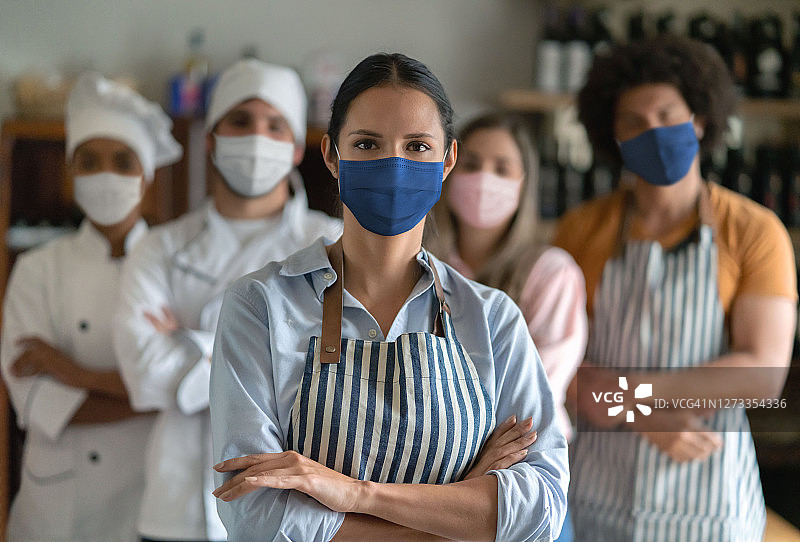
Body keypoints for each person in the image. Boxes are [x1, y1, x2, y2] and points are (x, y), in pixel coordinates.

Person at [210, 52, 568, 542]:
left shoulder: (493, 318)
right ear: (332, 156)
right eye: (367, 144)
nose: (394, 165)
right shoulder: (260, 306)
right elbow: (256, 516)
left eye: (417, 146)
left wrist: (357, 495)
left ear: (447, 161)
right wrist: (462, 511)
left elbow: (541, 508)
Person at [553, 36, 797, 541]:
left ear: (700, 120)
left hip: (711, 503)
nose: (653, 131)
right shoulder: (580, 230)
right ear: (613, 137)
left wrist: (636, 401)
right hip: (594, 497)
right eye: (634, 122)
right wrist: (645, 415)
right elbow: (559, 369)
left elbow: (761, 373)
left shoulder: (753, 231)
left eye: (667, 115)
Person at [112, 58, 342, 542]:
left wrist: (191, 341)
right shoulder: (159, 248)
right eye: (240, 120)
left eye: (275, 125)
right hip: (176, 507)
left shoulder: (331, 244)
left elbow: (335, 382)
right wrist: (269, 357)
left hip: (295, 510)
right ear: (211, 140)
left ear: (297, 147)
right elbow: (144, 376)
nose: (257, 136)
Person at [0, 72, 182, 541]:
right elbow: (37, 402)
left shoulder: (178, 266)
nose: (106, 174)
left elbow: (198, 382)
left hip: (151, 500)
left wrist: (72, 371)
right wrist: (157, 395)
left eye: (123, 161)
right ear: (71, 172)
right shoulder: (37, 270)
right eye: (88, 161)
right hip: (60, 511)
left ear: (146, 175)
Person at [429, 111, 587, 541]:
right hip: (430, 488)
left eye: (502, 168)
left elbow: (532, 399)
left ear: (524, 184)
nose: (485, 178)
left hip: (523, 481)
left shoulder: (551, 273)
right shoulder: (422, 266)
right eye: (472, 164)